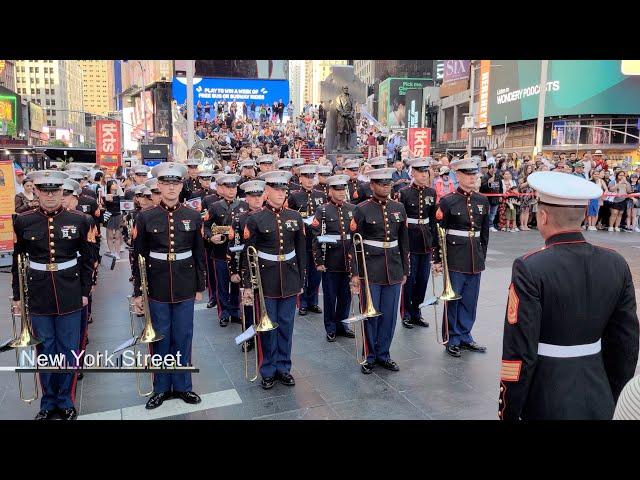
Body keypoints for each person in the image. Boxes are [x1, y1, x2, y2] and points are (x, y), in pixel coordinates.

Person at [499, 171, 639, 420]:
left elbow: (520, 351)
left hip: (546, 396)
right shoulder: (616, 263)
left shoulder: (530, 267)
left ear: (542, 216)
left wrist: (509, 411)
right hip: (599, 391)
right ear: (585, 215)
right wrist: (614, 393)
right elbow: (626, 342)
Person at [11, 170, 95, 420]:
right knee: (45, 348)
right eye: (44, 191)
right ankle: (48, 402)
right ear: (35, 191)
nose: (50, 196)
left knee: (68, 347)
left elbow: (88, 260)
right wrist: (17, 296)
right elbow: (18, 262)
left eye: (55, 191)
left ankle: (66, 399)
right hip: (38, 292)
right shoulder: (23, 221)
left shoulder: (79, 220)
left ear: (62, 192)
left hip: (70, 290)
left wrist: (84, 292)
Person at [132, 162, 206, 410]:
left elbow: (198, 253)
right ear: (159, 186)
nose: (171, 187)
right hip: (157, 283)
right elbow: (138, 256)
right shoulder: (145, 217)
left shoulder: (193, 216)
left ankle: (183, 386)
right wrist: (138, 292)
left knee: (183, 335)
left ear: (182, 185)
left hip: (185, 283)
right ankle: (161, 387)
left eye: (175, 183)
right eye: (166, 183)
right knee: (160, 337)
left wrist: (199, 286)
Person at [242, 170, 306, 389]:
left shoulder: (294, 217)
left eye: (283, 189)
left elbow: (301, 251)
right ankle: (268, 369)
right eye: (276, 189)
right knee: (267, 327)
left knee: (286, 325)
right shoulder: (256, 218)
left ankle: (284, 367)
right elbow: (248, 253)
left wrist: (300, 281)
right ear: (267, 191)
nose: (281, 193)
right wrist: (249, 285)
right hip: (265, 278)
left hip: (289, 277)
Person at [349, 167, 409, 374]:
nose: (385, 187)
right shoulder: (362, 209)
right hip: (370, 268)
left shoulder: (399, 207)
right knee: (370, 313)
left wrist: (404, 269)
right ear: (372, 185)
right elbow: (354, 243)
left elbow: (403, 241)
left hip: (392, 266)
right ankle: (369, 355)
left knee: (390, 315)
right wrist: (355, 273)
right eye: (381, 184)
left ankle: (384, 354)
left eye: (388, 183)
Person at [432, 157, 490, 358]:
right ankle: (452, 338)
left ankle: (465, 335)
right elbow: (438, 232)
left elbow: (484, 233)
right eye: (468, 174)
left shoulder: (482, 200)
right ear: (458, 176)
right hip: (455, 257)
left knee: (470, 300)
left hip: (474, 256)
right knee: (454, 299)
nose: (473, 177)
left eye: (475, 173)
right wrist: (438, 259)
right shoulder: (448, 201)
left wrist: (481, 254)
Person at [309, 174, 356, 341]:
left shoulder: (352, 209)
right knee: (330, 296)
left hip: (348, 258)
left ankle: (343, 324)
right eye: (338, 189)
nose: (342, 192)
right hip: (330, 258)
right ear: (330, 191)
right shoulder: (322, 210)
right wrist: (319, 261)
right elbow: (316, 236)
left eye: (343, 188)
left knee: (346, 295)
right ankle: (330, 327)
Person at [398, 158, 437, 328]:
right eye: (420, 172)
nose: (423, 175)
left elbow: (434, 219)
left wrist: (435, 244)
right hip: (410, 239)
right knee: (409, 279)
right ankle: (406, 312)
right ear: (412, 173)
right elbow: (401, 221)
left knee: (423, 280)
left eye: (426, 172)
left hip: (425, 240)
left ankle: (417, 311)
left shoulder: (431, 192)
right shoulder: (405, 192)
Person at [228, 180, 265, 353]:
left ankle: (264, 334)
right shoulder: (240, 219)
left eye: (259, 196)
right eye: (253, 196)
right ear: (246, 198)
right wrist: (233, 270)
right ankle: (249, 337)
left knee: (266, 303)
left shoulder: (269, 216)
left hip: (266, 268)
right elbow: (234, 246)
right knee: (248, 305)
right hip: (246, 268)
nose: (257, 200)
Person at [204, 173, 245, 327]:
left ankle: (235, 311)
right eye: (228, 187)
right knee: (222, 284)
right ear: (221, 188)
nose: (231, 190)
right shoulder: (214, 207)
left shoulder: (243, 206)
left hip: (237, 252)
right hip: (220, 252)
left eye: (234, 187)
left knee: (236, 283)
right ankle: (223, 313)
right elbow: (206, 227)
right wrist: (210, 238)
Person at [287, 164, 326, 316]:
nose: (310, 180)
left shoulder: (321, 195)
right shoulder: (295, 196)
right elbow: (289, 217)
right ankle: (302, 302)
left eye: (312, 177)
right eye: (306, 177)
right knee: (303, 271)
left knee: (316, 273)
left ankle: (313, 301)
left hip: (317, 239)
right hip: (302, 239)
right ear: (300, 179)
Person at [480, 162, 500, 232]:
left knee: (493, 213)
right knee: (487, 213)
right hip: (487, 199)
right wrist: (489, 183)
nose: (494, 169)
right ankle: (488, 226)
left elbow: (499, 186)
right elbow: (482, 188)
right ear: (489, 169)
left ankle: (490, 225)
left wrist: (500, 195)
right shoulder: (485, 177)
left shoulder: (497, 176)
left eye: (494, 168)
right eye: (492, 168)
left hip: (495, 198)